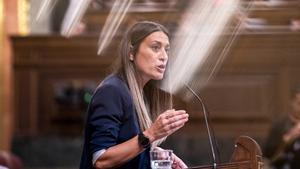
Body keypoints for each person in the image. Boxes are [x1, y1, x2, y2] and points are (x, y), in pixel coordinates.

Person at [79, 21, 189, 169]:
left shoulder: (140, 91)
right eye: (155, 47)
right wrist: (151, 134)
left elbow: (128, 146)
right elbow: (101, 160)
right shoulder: (112, 91)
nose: (164, 56)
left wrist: (158, 157)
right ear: (131, 53)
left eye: (167, 50)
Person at [264, 86, 300, 169]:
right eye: (299, 103)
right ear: (292, 102)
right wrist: (285, 142)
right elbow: (268, 157)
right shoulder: (279, 125)